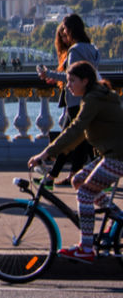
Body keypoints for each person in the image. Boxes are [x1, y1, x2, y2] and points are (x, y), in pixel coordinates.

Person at [27, 61, 123, 263]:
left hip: (118, 156)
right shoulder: (95, 94)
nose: (68, 85)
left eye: (72, 80)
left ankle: (86, 248)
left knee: (85, 193)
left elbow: (75, 130)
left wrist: (46, 153)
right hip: (112, 153)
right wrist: (54, 153)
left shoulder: (92, 100)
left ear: (85, 81)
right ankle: (118, 220)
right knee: (78, 180)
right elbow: (77, 135)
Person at [39, 14, 99, 185]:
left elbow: (71, 76)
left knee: (67, 139)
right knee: (83, 142)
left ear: (71, 30)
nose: (63, 34)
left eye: (65, 31)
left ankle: (51, 177)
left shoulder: (75, 51)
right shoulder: (92, 49)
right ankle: (75, 175)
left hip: (74, 99)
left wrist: (48, 74)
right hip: (87, 97)